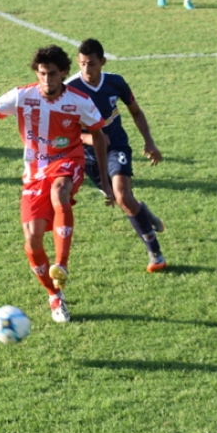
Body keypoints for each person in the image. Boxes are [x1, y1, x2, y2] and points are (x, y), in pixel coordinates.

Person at [0, 45, 112, 323]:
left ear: (63, 73)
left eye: (52, 74)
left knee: (60, 191)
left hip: (67, 161)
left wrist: (105, 180)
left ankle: (61, 265)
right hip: (33, 173)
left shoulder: (78, 101)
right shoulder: (22, 96)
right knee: (32, 240)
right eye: (42, 74)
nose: (47, 80)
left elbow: (99, 136)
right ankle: (55, 295)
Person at [66, 38, 168, 273]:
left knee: (121, 196)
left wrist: (149, 142)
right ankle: (143, 210)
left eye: (91, 64)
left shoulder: (116, 83)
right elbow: (65, 129)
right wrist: (89, 138)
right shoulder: (70, 89)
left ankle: (155, 254)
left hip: (116, 147)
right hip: (88, 155)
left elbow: (136, 112)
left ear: (102, 61)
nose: (86, 69)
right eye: (81, 64)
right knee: (123, 200)